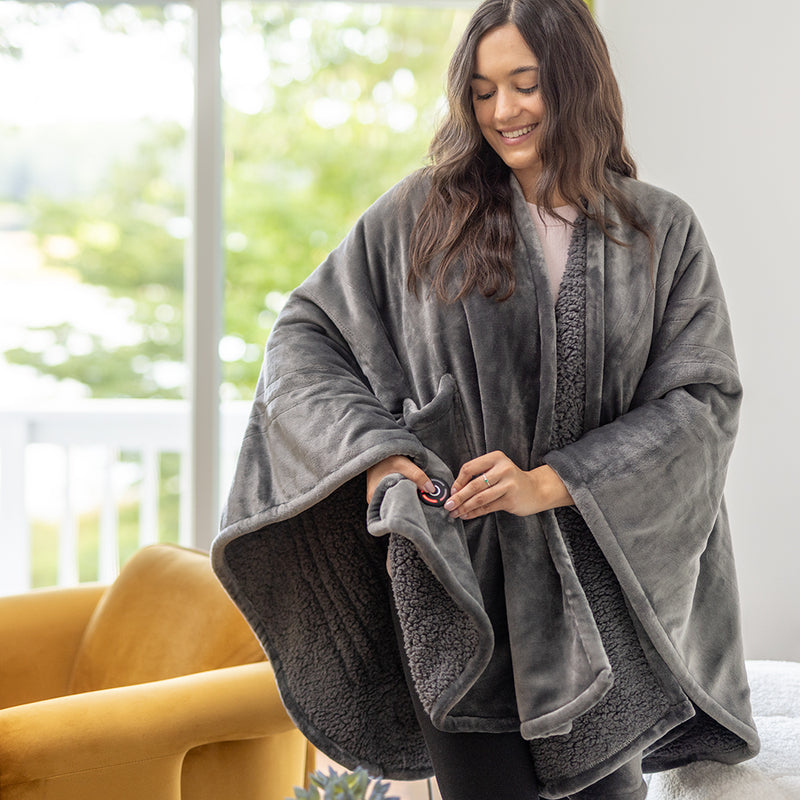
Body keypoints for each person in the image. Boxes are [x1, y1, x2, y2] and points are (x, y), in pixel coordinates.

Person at [211, 1, 759, 798]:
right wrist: (378, 458)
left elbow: (702, 403)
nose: (503, 111)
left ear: (576, 84)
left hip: (602, 590)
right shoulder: (420, 216)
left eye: (525, 85)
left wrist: (552, 480)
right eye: (481, 90)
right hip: (455, 574)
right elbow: (305, 337)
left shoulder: (659, 233)